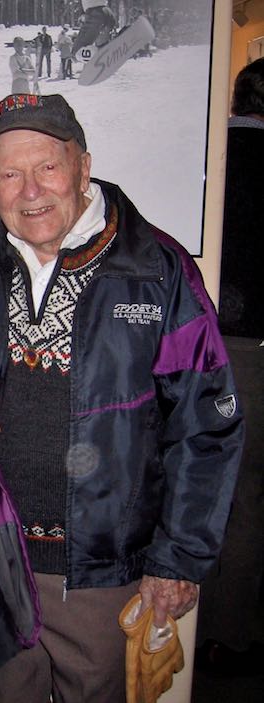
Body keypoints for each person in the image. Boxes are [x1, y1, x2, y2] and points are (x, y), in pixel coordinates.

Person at [0, 93, 244, 703]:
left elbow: (208, 426)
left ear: (83, 165)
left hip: (103, 577)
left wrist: (177, 560)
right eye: (9, 174)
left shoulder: (157, 267)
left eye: (48, 165)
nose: (31, 190)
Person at [196, 57, 264, 669]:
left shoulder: (213, 156)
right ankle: (230, 635)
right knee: (247, 500)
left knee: (217, 487)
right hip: (251, 350)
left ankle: (205, 634)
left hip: (210, 341)